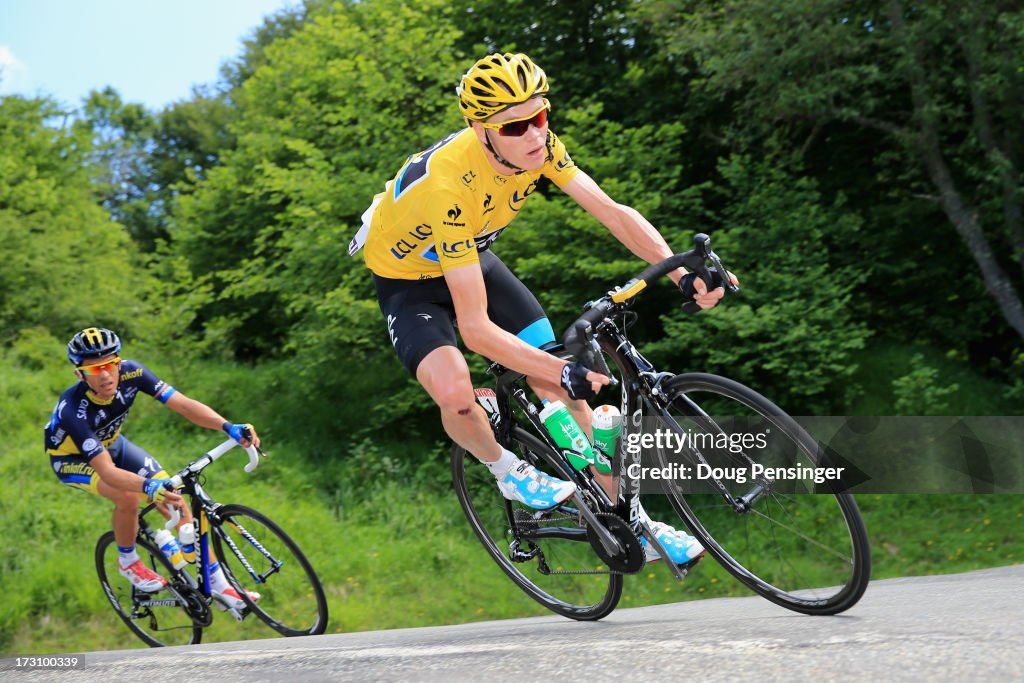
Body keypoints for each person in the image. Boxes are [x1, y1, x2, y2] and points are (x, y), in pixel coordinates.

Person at [350, 53, 735, 565]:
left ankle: (634, 521)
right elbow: (476, 328)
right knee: (457, 392)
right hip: (411, 283)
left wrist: (679, 270)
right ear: (480, 129)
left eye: (540, 115)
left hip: (472, 258)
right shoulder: (448, 185)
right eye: (515, 126)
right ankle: (505, 468)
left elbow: (612, 212)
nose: (534, 134)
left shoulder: (542, 146)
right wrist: (558, 367)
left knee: (579, 399)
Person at [46, 327, 261, 610]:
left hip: (114, 444)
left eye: (111, 364)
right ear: (80, 374)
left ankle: (222, 589)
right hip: (74, 459)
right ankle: (128, 562)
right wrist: (147, 486)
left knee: (176, 498)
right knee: (129, 496)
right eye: (96, 369)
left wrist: (228, 427)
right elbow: (108, 473)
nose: (107, 375)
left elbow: (183, 405)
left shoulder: (132, 373)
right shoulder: (73, 409)